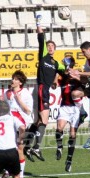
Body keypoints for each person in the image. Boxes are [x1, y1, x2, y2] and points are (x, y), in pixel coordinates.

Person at [26, 15, 65, 162]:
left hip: (45, 90)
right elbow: (41, 36)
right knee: (45, 120)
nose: (49, 47)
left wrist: (56, 79)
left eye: (52, 46)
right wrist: (38, 23)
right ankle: (35, 147)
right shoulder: (43, 56)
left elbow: (65, 71)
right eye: (48, 46)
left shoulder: (56, 63)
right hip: (41, 89)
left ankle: (27, 147)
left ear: (55, 49)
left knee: (38, 122)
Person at [0, 70, 33, 178]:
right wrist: (0, 100)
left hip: (22, 123)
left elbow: (28, 111)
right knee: (9, 148)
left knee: (20, 148)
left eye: (16, 79)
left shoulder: (26, 94)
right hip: (10, 123)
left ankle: (20, 175)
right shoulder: (8, 93)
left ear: (20, 83)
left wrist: (19, 100)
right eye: (13, 78)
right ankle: (8, 171)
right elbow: (5, 105)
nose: (13, 80)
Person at [55, 56, 82, 172]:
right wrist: (56, 75)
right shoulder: (62, 78)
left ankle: (69, 160)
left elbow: (83, 84)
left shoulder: (76, 76)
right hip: (64, 107)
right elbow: (54, 83)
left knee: (72, 134)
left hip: (75, 108)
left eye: (66, 64)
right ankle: (60, 147)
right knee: (59, 128)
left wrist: (75, 76)